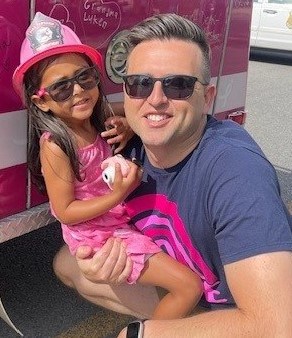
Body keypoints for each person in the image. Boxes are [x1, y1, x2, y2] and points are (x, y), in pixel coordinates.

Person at [53, 13, 292, 336]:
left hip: (241, 311)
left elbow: (277, 326)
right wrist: (98, 264)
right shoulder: (125, 145)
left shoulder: (236, 172)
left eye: (178, 85)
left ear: (206, 98)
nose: (155, 100)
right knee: (68, 263)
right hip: (191, 289)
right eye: (140, 84)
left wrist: (143, 334)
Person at [12, 12, 203, 320]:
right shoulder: (56, 144)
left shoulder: (94, 116)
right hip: (98, 235)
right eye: (62, 88)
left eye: (84, 77)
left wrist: (127, 125)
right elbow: (65, 211)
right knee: (188, 287)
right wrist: (117, 195)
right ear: (41, 101)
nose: (78, 91)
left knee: (186, 279)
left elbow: (132, 110)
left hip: (117, 221)